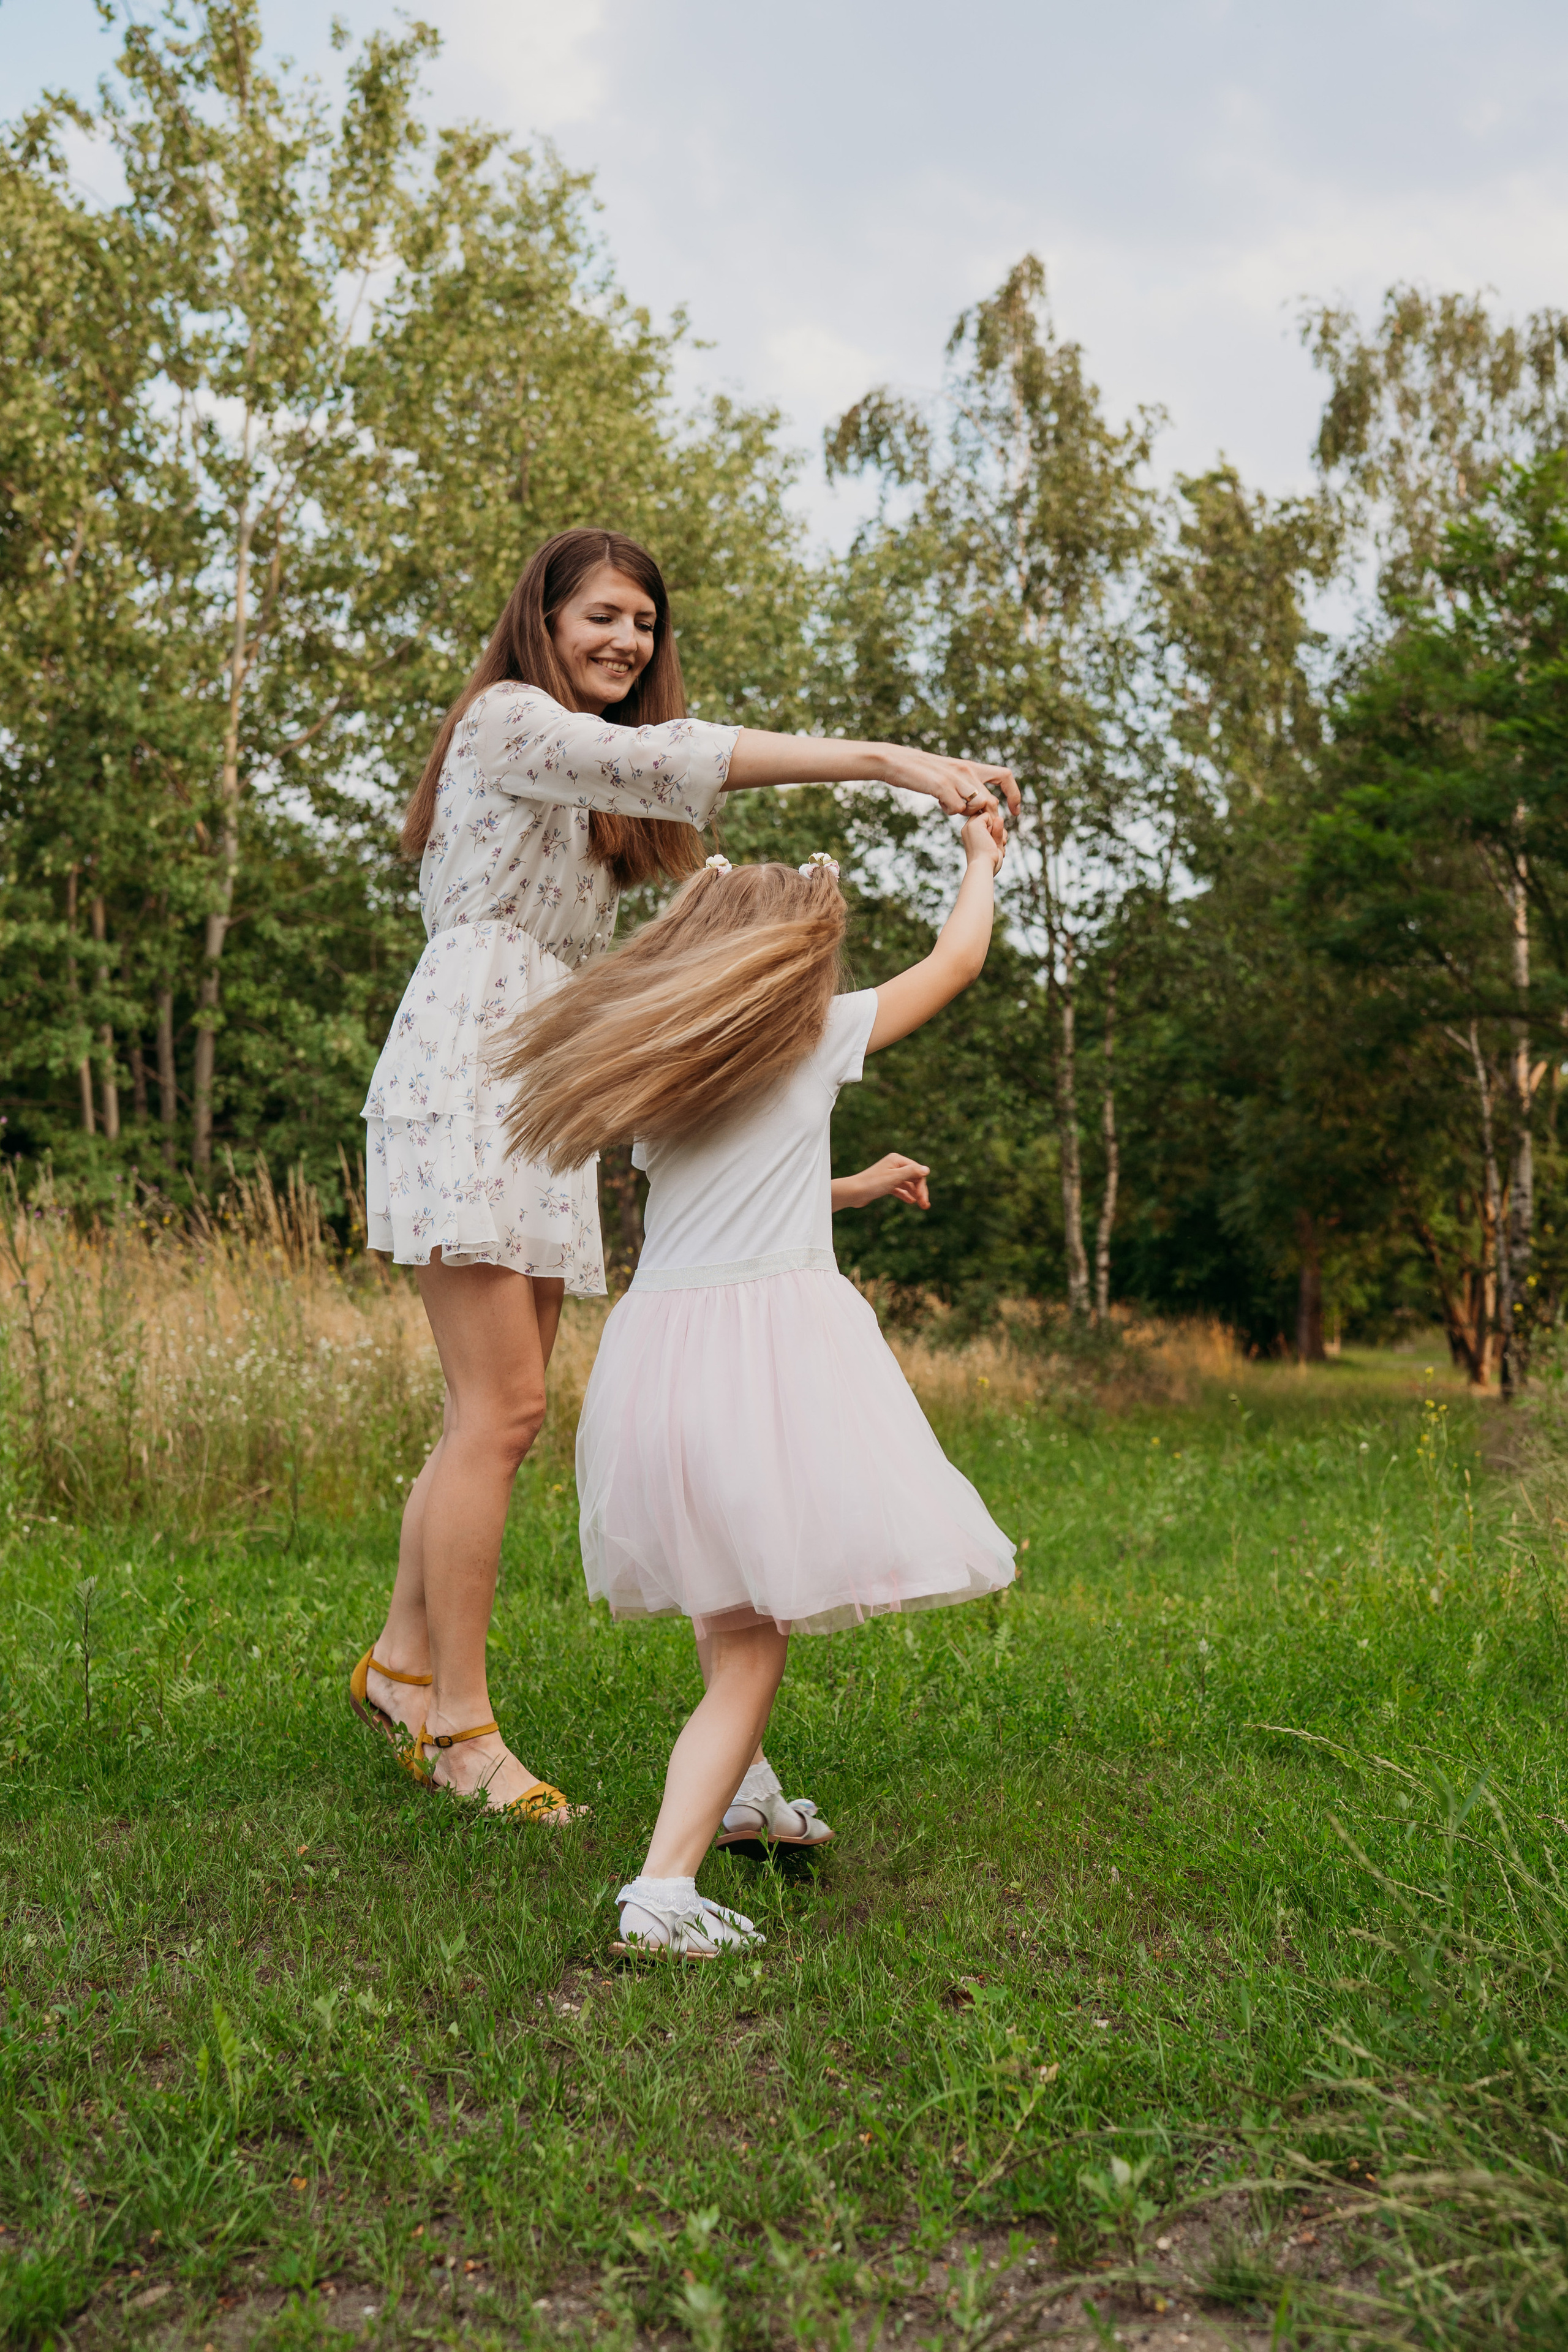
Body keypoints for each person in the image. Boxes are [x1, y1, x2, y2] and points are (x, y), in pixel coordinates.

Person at [350, 526, 1018, 1821]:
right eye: (603, 615)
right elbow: (677, 757)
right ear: (539, 618)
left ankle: (403, 1666)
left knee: (495, 1413)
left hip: (541, 1073)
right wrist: (887, 763)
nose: (626, 643)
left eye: (644, 626)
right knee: (500, 1413)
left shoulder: (583, 782)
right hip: (473, 1066)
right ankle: (461, 1730)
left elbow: (661, 799)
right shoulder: (503, 718)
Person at [503, 826, 1015, 1953]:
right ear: (793, 956)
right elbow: (959, 961)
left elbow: (733, 1195)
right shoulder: (822, 1033)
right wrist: (980, 857)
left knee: (723, 1587)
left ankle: (747, 1800)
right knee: (751, 1641)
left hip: (659, 1357)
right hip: (765, 1356)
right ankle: (662, 1889)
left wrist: (855, 1185)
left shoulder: (658, 1066)